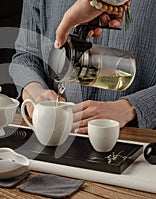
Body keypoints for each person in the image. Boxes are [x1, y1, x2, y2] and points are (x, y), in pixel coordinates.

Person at [9, 0, 156, 134]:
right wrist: (34, 92)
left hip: (135, 138)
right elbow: (26, 55)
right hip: (59, 135)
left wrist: (129, 109)